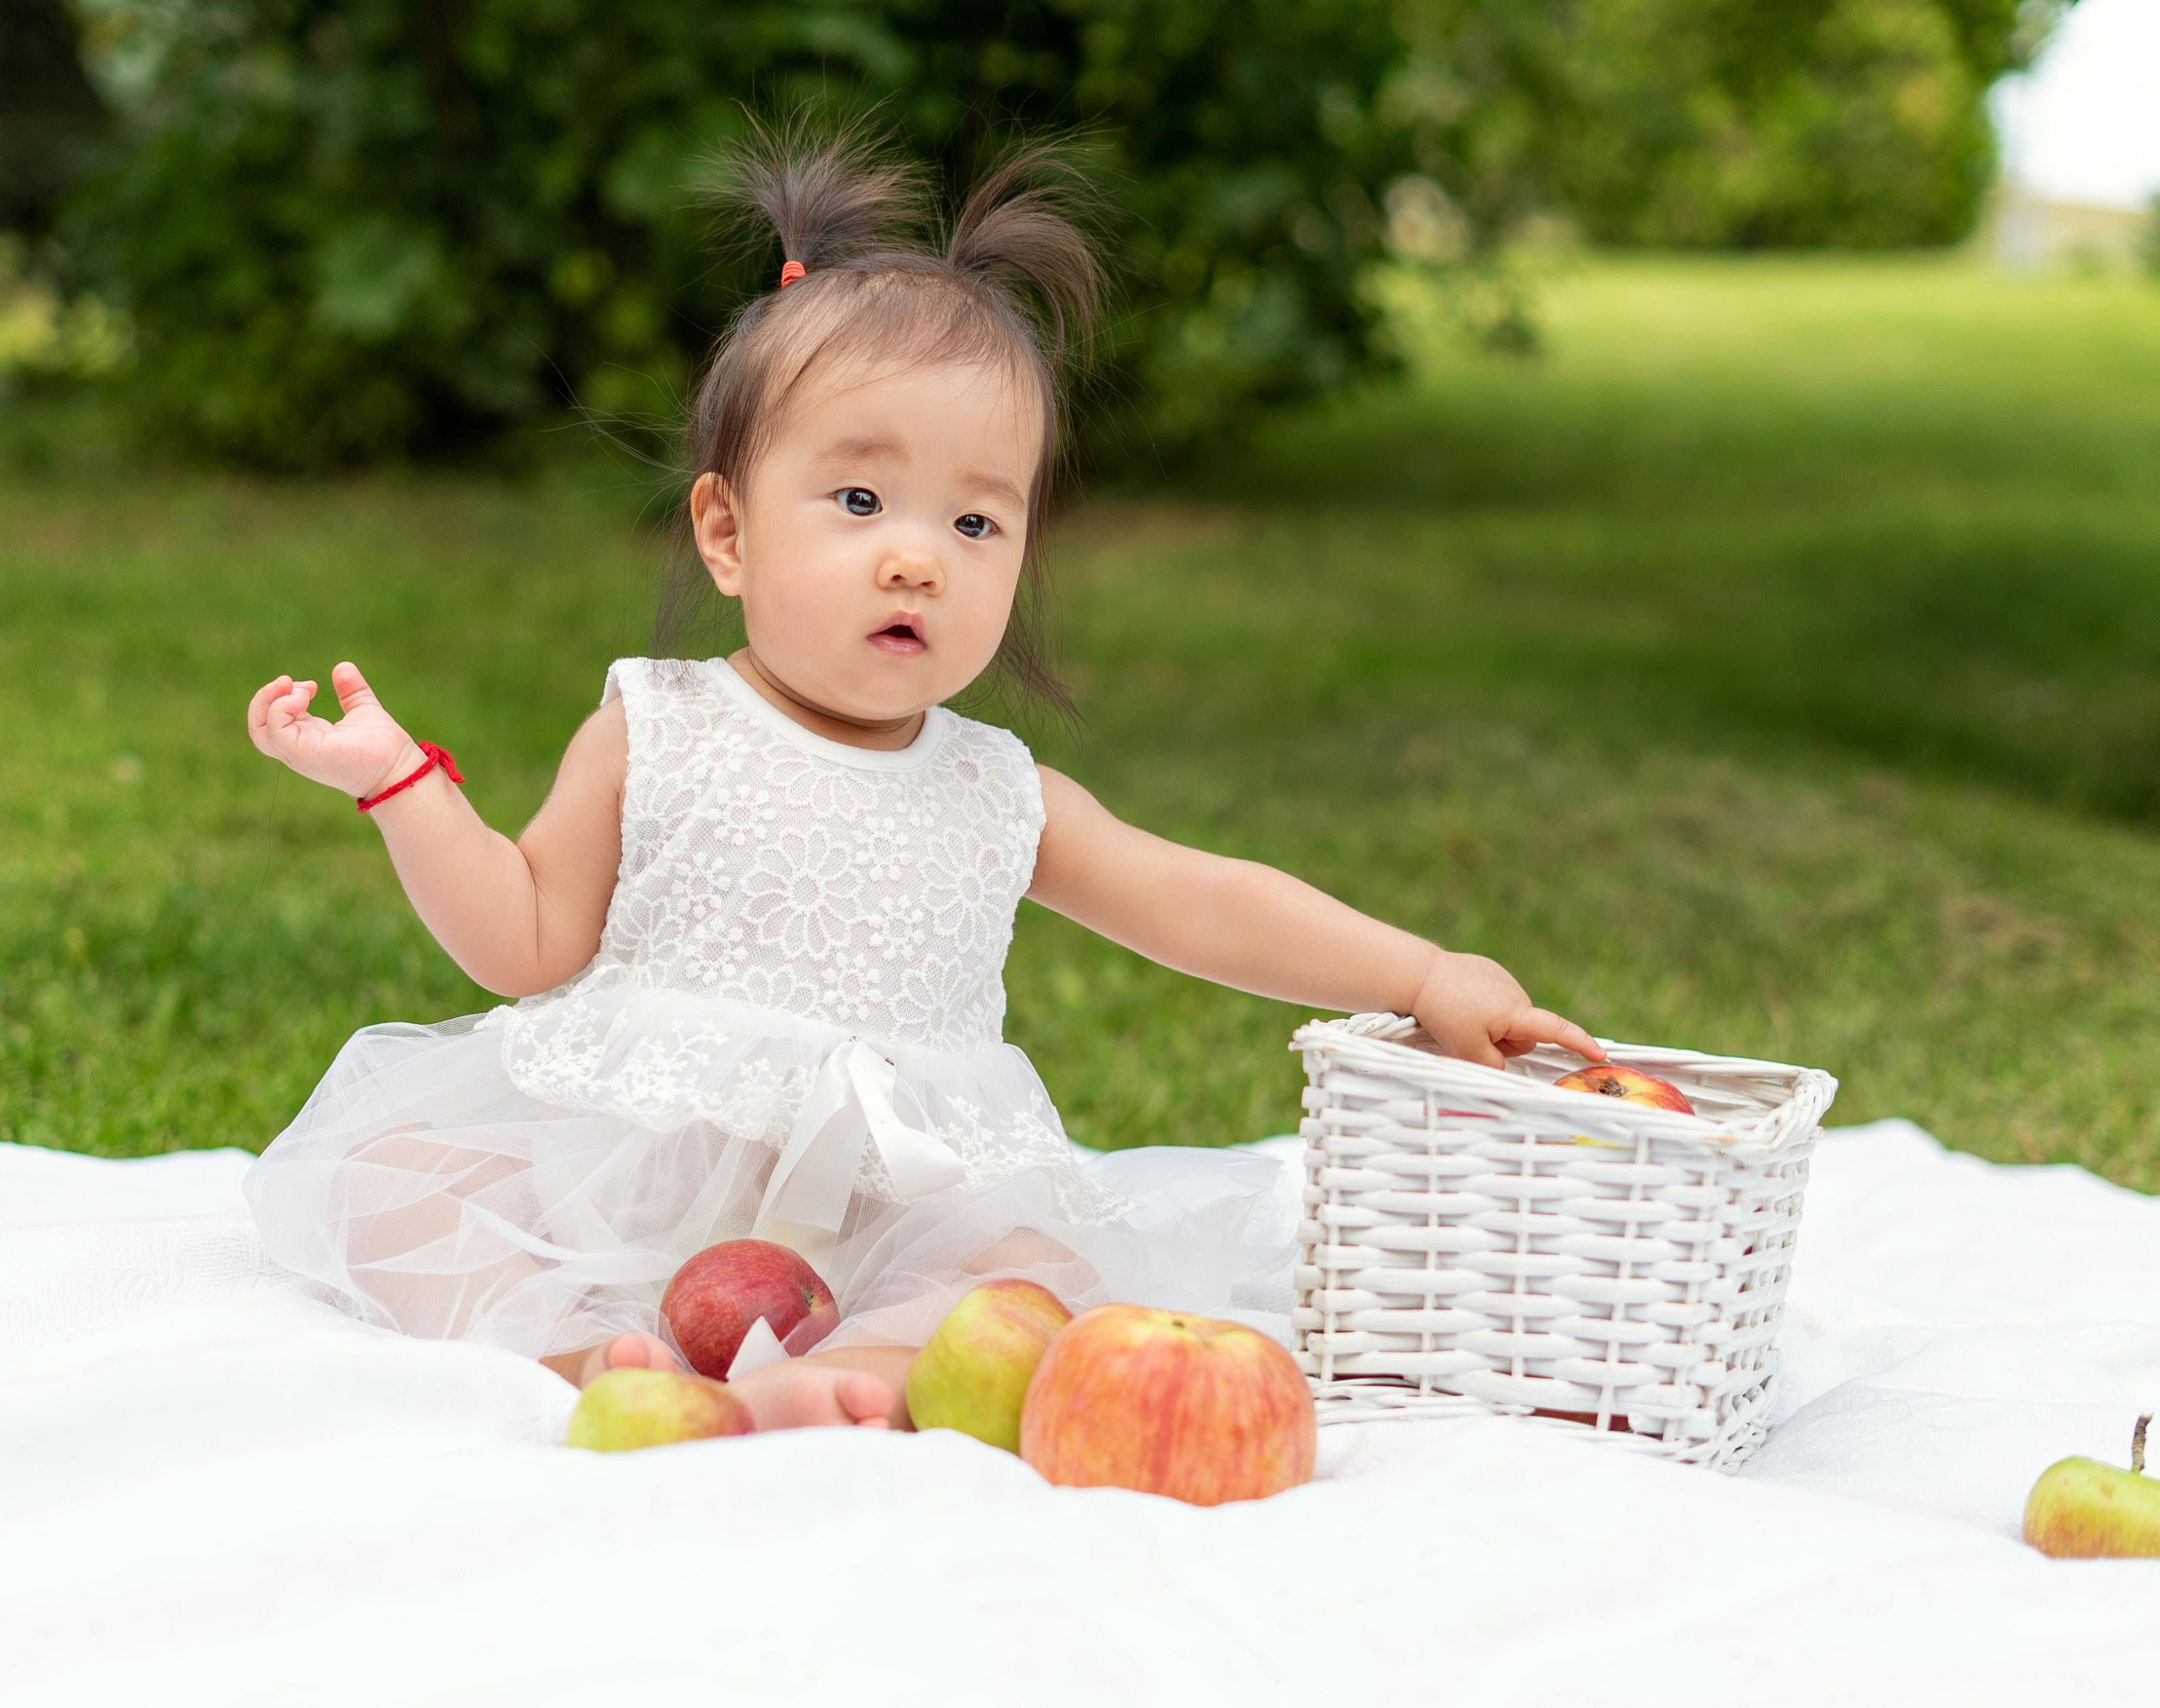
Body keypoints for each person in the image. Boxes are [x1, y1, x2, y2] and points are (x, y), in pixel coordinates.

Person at [240, 131, 1601, 1433]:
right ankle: (592, 1355)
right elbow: (521, 941)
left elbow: (1199, 899)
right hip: (633, 1178)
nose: (918, 559)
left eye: (974, 518)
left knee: (1022, 1278)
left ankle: (852, 1373)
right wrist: (403, 785)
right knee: (396, 1183)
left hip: (891, 1209)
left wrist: (1420, 975)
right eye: (858, 503)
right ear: (726, 530)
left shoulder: (998, 792)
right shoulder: (658, 728)